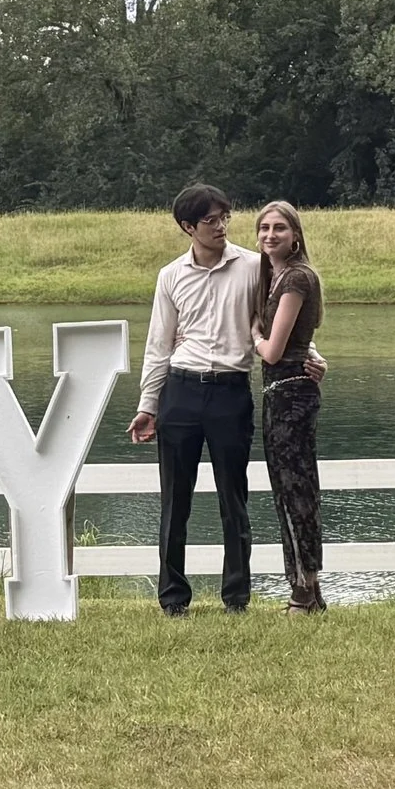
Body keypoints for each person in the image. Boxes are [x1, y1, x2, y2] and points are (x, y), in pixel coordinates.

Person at [129, 184, 262, 615]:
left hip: (230, 390)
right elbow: (158, 344)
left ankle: (236, 597)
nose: (221, 226)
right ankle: (172, 598)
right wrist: (148, 405)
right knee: (175, 499)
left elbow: (277, 322)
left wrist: (311, 357)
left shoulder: (253, 267)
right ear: (188, 227)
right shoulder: (171, 276)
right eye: (210, 220)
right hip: (181, 391)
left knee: (233, 497)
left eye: (225, 216)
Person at [252, 200, 325, 613]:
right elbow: (301, 342)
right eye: (263, 228)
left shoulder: (296, 277)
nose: (270, 235)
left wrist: (251, 335)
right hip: (282, 393)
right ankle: (309, 590)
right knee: (289, 489)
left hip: (291, 394)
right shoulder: (274, 275)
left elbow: (274, 351)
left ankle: (302, 591)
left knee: (295, 489)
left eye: (279, 228)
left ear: (295, 235)